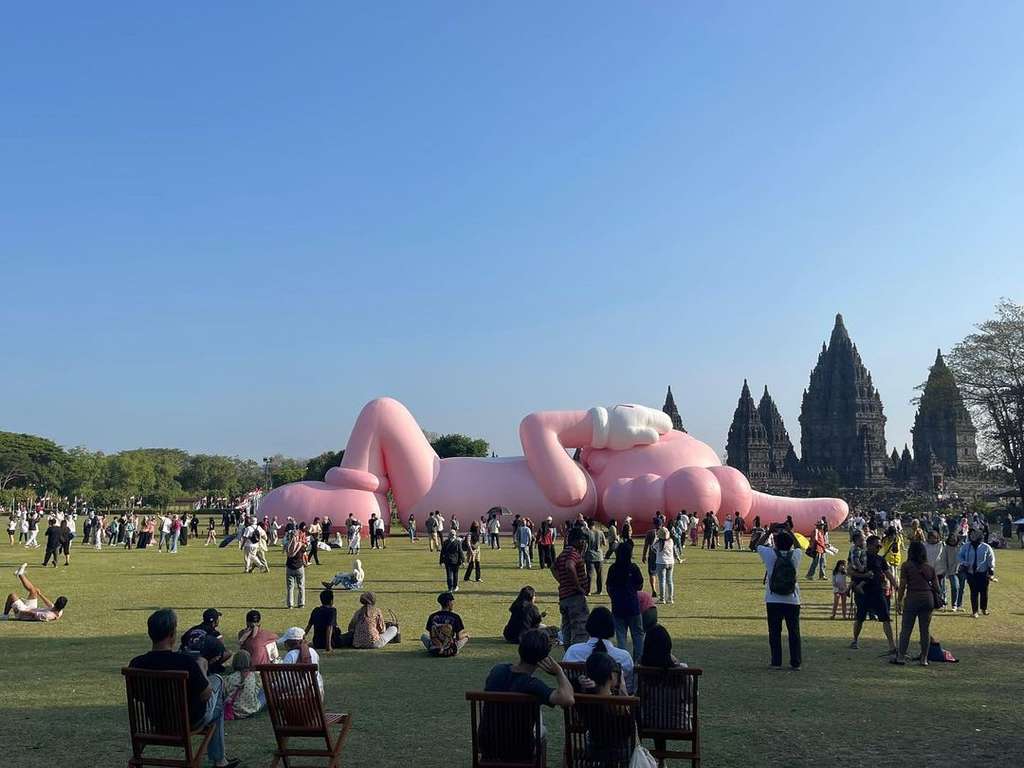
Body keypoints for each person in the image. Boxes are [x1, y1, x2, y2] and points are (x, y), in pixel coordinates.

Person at [130, 609, 240, 768]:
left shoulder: (137, 664)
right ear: (172, 634)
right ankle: (220, 761)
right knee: (217, 684)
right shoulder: (185, 663)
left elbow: (138, 696)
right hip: (189, 722)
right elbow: (205, 695)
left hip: (157, 721)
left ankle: (221, 761)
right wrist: (202, 668)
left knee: (216, 692)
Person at [483, 629, 574, 747]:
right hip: (519, 749)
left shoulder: (497, 670)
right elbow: (568, 699)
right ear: (543, 658)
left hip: (488, 745)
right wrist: (559, 672)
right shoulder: (532, 685)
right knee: (541, 728)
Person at [756, 527, 802, 670]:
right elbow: (799, 546)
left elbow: (758, 545)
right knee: (794, 632)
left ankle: (776, 661)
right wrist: (790, 531)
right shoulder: (795, 555)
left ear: (775, 542)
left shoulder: (770, 555)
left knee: (774, 632)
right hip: (792, 599)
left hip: (773, 599)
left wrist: (769, 531)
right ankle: (796, 662)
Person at [562, 606, 635, 693]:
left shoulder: (573, 652)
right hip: (612, 705)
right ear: (612, 628)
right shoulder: (624, 657)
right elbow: (629, 688)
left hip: (578, 705)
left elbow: (565, 682)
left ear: (588, 626)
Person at [850, 535, 899, 655]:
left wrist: (896, 586)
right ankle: (855, 640)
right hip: (863, 592)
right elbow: (850, 571)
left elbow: (888, 574)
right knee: (860, 618)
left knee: (885, 618)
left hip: (878, 592)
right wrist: (863, 577)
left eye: (880, 546)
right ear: (870, 545)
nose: (879, 548)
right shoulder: (860, 556)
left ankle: (892, 646)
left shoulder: (880, 560)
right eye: (877, 546)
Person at [894, 540, 940, 666]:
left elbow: (903, 585)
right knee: (925, 630)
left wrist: (899, 601)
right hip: (928, 598)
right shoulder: (929, 568)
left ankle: (901, 656)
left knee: (906, 629)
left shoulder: (906, 566)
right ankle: (924, 658)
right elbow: (937, 587)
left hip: (912, 597)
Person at [605, 540, 645, 659]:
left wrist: (613, 596)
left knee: (621, 636)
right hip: (632, 605)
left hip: (617, 605)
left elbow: (608, 586)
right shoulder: (633, 568)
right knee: (637, 635)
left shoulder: (613, 568)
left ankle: (623, 660)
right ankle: (638, 660)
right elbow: (640, 584)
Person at [553, 531, 591, 645]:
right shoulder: (573, 553)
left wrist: (562, 581)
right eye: (583, 541)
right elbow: (570, 566)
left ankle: (569, 656)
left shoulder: (563, 553)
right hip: (574, 597)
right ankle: (578, 659)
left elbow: (553, 567)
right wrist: (577, 586)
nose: (584, 543)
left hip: (564, 596)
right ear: (577, 540)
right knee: (580, 629)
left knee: (567, 629)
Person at [2, 564, 68, 621]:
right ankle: (20, 574)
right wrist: (40, 594)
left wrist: (21, 610)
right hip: (32, 608)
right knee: (34, 590)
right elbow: (50, 604)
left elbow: (33, 614)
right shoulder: (59, 610)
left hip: (24, 614)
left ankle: (5, 615)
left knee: (12, 595)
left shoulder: (48, 615)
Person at [180, 608, 231, 674]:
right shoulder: (215, 633)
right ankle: (210, 668)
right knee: (227, 653)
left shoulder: (193, 629)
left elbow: (183, 640)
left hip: (187, 659)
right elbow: (222, 651)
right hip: (201, 661)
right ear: (214, 622)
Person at [958, 529, 996, 618]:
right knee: (973, 592)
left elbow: (991, 558)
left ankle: (984, 608)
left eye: (974, 534)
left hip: (983, 573)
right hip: (971, 573)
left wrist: (991, 569)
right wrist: (964, 563)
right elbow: (959, 556)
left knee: (984, 592)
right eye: (971, 534)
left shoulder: (986, 547)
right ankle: (975, 611)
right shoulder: (966, 546)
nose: (972, 536)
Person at [279, 626, 324, 694]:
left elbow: (284, 680)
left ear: (289, 643)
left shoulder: (291, 655)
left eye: (285, 642)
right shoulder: (313, 652)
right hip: (315, 693)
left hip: (296, 695)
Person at [422, 591, 470, 656]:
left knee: (423, 636)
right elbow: (459, 637)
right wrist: (466, 635)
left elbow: (431, 636)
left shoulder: (432, 616)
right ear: (449, 603)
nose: (453, 604)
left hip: (435, 647)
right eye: (452, 602)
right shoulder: (455, 617)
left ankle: (435, 649)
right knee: (465, 638)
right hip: (451, 650)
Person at [221, 650, 265, 719]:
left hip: (234, 711)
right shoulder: (254, 676)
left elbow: (226, 693)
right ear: (249, 661)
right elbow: (256, 691)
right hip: (251, 710)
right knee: (265, 692)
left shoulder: (229, 678)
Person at [284, 529, 307, 609]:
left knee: (290, 587)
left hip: (290, 567)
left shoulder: (287, 545)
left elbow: (286, 553)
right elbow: (304, 556)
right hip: (299, 567)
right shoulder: (301, 545)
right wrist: (305, 563)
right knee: (301, 586)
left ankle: (290, 604)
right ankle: (301, 603)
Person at [654, 527, 676, 605]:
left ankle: (662, 598)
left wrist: (656, 538)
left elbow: (653, 548)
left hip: (661, 562)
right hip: (671, 562)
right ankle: (670, 598)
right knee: (669, 581)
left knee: (662, 581)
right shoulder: (671, 541)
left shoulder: (658, 543)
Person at [583, 522, 606, 594]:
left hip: (590, 555)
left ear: (589, 526)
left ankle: (588, 591)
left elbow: (584, 544)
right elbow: (604, 543)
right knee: (599, 574)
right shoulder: (600, 532)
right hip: (599, 556)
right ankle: (600, 591)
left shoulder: (587, 533)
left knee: (589, 574)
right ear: (594, 525)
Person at [941, 533, 961, 610]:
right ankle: (954, 605)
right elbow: (944, 559)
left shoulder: (961, 546)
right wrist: (946, 570)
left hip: (961, 570)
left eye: (954, 540)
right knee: (955, 587)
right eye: (951, 540)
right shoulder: (946, 548)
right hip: (952, 571)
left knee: (961, 588)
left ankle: (959, 605)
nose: (952, 541)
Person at [641, 524, 660, 597]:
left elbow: (646, 545)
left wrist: (644, 555)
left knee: (652, 573)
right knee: (662, 575)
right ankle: (662, 591)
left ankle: (654, 589)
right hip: (661, 556)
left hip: (652, 555)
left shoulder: (650, 533)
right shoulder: (665, 531)